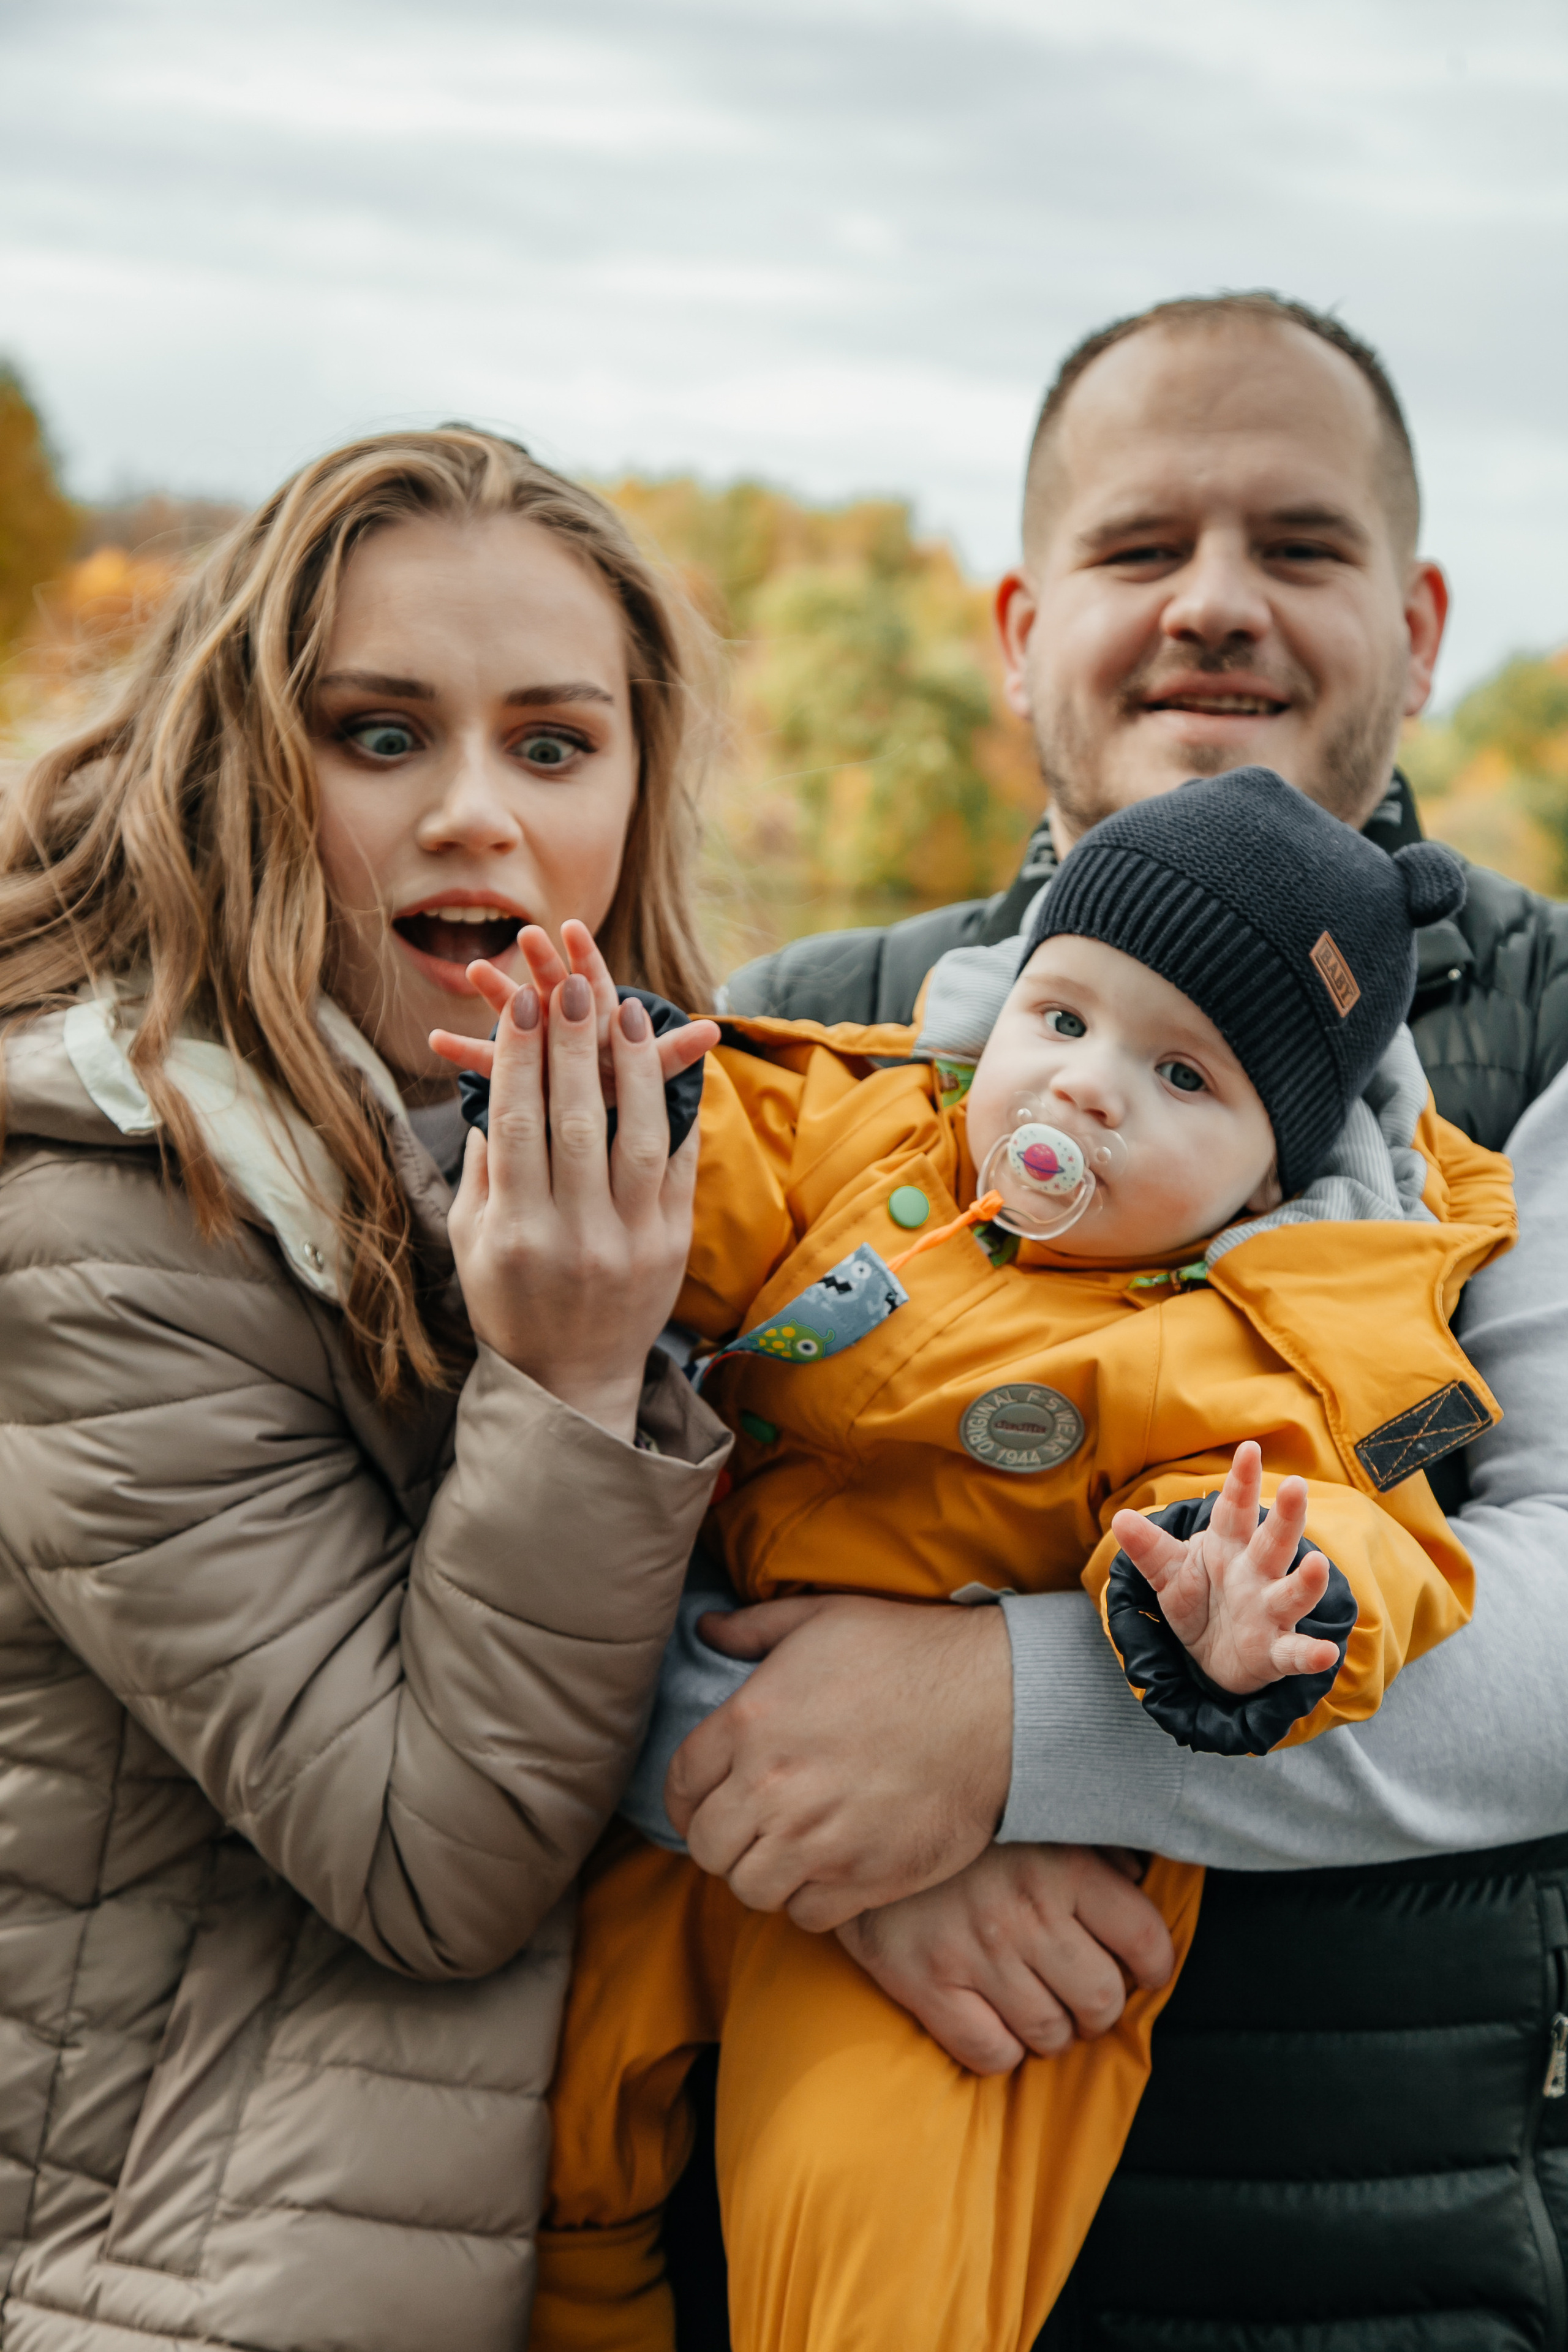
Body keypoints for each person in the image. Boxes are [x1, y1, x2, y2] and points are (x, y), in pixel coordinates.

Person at [662, 294, 1568, 2345]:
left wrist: (1005, 1734)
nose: (1218, 607)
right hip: (804, 2213)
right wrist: (788, 1784)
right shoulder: (812, 1023)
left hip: (1391, 2270)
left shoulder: (1553, 1040)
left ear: (1422, 628)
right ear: (1016, 626)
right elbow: (552, 1523)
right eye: (1142, 549)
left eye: (1302, 549)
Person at [448, 769, 1513, 2348]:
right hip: (701, 1794)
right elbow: (736, 1158)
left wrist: (1251, 1603)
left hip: (983, 1879)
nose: (1085, 1091)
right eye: (1065, 1020)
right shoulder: (883, 1129)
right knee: (555, 2132)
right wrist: (622, 1099)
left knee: (870, 2227)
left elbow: (1340, 1518)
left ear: (1267, 1181)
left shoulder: (1244, 1339)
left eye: (1181, 1077)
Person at [0, 426, 730, 2352]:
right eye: (382, 735)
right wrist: (569, 1378)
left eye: (553, 745)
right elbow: (432, 1857)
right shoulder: (102, 1231)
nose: (476, 813)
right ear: (242, 769)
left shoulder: (582, 1176)